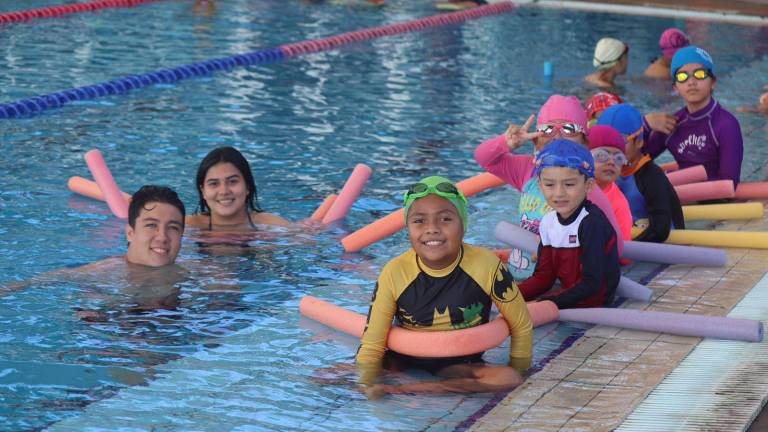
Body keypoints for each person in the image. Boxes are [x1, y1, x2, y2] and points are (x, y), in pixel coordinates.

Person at [356, 176, 533, 397]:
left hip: (458, 364)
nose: (432, 229)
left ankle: (403, 390)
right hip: (400, 358)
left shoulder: (486, 265)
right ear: (408, 228)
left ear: (463, 224)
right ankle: (398, 387)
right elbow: (372, 344)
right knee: (324, 377)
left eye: (445, 219)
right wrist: (365, 383)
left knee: (508, 378)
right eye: (419, 221)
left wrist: (520, 372)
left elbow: (521, 325)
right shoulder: (395, 272)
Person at [474, 95, 623, 281]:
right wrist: (507, 142)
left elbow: (615, 244)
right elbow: (483, 158)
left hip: (559, 285)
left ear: (585, 142)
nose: (558, 136)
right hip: (519, 275)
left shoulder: (586, 187)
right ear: (536, 140)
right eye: (548, 129)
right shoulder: (526, 169)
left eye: (569, 129)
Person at [518, 140, 620, 308]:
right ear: (540, 186)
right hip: (570, 296)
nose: (559, 193)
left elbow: (592, 285)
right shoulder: (548, 222)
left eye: (569, 184)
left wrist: (544, 303)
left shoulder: (592, 223)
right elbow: (544, 277)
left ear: (588, 186)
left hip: (595, 304)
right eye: (550, 185)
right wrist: (510, 296)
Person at [643, 46, 744, 185]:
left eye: (700, 74)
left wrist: (676, 180)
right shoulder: (671, 124)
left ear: (712, 82)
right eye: (682, 76)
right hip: (680, 197)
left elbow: (729, 183)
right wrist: (645, 125)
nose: (691, 82)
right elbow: (633, 164)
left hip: (715, 203)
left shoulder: (726, 124)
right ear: (675, 88)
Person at [598, 103, 685, 242]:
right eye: (605, 143)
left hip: (662, 251)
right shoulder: (604, 175)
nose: (613, 149)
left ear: (639, 142)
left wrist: (620, 248)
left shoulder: (652, 177)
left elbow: (661, 230)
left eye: (621, 140)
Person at [187, 146, 291, 231]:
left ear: (247, 186)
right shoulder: (186, 227)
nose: (224, 191)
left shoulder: (273, 226)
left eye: (232, 181)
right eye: (214, 184)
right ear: (203, 191)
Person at [587, 125, 633, 241]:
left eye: (618, 158)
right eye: (601, 155)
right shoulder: (567, 186)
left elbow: (624, 251)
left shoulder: (619, 204)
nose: (611, 162)